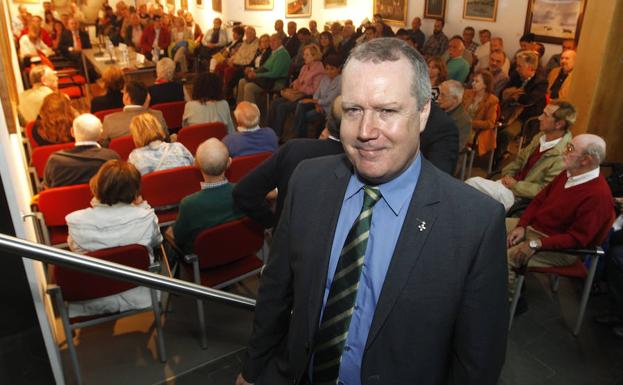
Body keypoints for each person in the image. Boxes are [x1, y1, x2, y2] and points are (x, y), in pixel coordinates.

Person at [235, 37, 507, 385]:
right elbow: (276, 291)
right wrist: (253, 369)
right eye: (353, 110)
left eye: (387, 111)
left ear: (423, 113)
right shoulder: (308, 182)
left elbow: (477, 364)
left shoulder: (474, 223)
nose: (365, 132)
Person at [506, 134, 614, 300]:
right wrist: (522, 225)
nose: (564, 151)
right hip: (535, 230)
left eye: (570, 148)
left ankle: (505, 304)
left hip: (561, 248)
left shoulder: (598, 195)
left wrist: (535, 243)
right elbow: (540, 199)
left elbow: (577, 239)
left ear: (586, 160)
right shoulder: (568, 173)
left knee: (503, 259)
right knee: (489, 228)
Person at [65, 160, 162, 317]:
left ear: (98, 184)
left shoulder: (76, 222)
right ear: (135, 189)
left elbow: (75, 249)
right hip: (138, 292)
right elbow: (157, 241)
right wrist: (141, 206)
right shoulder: (145, 217)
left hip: (91, 297)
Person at [233, 98, 345, 229]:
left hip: (288, 240)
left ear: (328, 120)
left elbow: (243, 193)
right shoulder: (368, 168)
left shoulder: (294, 149)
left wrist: (272, 222)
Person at [466, 101, 574, 211]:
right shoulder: (540, 137)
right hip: (509, 186)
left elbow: (545, 189)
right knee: (473, 199)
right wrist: (508, 175)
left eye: (545, 115)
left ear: (559, 124)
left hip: (520, 198)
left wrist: (515, 185)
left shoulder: (563, 156)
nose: (540, 118)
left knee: (471, 184)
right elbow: (519, 161)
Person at [169, 138, 244, 253]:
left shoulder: (189, 204)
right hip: (240, 250)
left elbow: (179, 238)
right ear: (229, 163)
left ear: (197, 165)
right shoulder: (243, 191)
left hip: (203, 262)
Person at [43, 113, 120, 189]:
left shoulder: (54, 161)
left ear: (72, 132)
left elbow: (48, 191)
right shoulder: (111, 158)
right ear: (101, 134)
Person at [267, 44, 325, 137]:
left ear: (314, 56)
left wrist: (300, 86)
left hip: (307, 97)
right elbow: (299, 80)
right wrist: (296, 82)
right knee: (275, 103)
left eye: (307, 55)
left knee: (282, 107)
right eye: (304, 54)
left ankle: (276, 135)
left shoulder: (319, 71)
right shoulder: (305, 67)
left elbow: (314, 90)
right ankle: (269, 131)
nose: (303, 57)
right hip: (298, 94)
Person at [292, 54, 342, 138]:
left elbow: (328, 100)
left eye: (332, 69)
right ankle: (299, 136)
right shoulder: (325, 78)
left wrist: (312, 101)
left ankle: (299, 136)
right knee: (301, 104)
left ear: (339, 69)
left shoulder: (340, 81)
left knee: (306, 116)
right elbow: (316, 93)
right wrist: (316, 104)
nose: (329, 71)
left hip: (328, 109)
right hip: (319, 104)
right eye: (327, 69)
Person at [102, 81, 168, 145]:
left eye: (123, 92)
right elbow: (166, 141)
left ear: (126, 97)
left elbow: (104, 146)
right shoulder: (158, 115)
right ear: (147, 97)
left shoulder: (109, 120)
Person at [127, 113, 193, 175]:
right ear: (158, 127)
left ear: (136, 135)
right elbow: (194, 169)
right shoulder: (179, 147)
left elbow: (132, 183)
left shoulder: (135, 157)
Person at [237, 34, 291, 105]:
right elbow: (264, 67)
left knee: (248, 87)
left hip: (276, 82)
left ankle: (251, 114)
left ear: (280, 41)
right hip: (267, 79)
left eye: (274, 40)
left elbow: (275, 74)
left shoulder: (282, 54)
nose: (271, 43)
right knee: (242, 81)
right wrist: (252, 72)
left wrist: (256, 75)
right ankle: (241, 108)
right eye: (270, 41)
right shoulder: (275, 52)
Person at [462, 70, 499, 158]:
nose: (473, 83)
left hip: (477, 131)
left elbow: (490, 123)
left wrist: (470, 122)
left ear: (485, 85)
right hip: (462, 125)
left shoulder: (492, 100)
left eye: (477, 81)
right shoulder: (467, 93)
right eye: (473, 80)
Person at [437, 80, 471, 150]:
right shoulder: (435, 109)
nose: (438, 98)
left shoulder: (463, 120)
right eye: (439, 94)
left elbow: (455, 147)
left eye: (443, 95)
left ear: (455, 99)